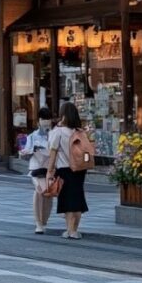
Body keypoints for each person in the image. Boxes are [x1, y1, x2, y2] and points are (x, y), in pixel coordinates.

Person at [46, 101, 88, 239]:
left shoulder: (58, 132)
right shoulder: (80, 132)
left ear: (62, 116)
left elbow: (52, 153)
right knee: (78, 198)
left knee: (68, 200)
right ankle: (75, 229)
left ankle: (70, 230)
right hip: (80, 169)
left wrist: (49, 172)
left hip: (64, 169)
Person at [19, 108, 54, 234]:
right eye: (43, 119)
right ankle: (38, 223)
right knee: (40, 191)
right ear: (38, 121)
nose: (45, 122)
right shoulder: (32, 136)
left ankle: (44, 221)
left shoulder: (54, 134)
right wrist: (28, 152)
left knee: (49, 194)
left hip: (50, 168)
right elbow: (25, 152)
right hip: (36, 168)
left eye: (48, 119)